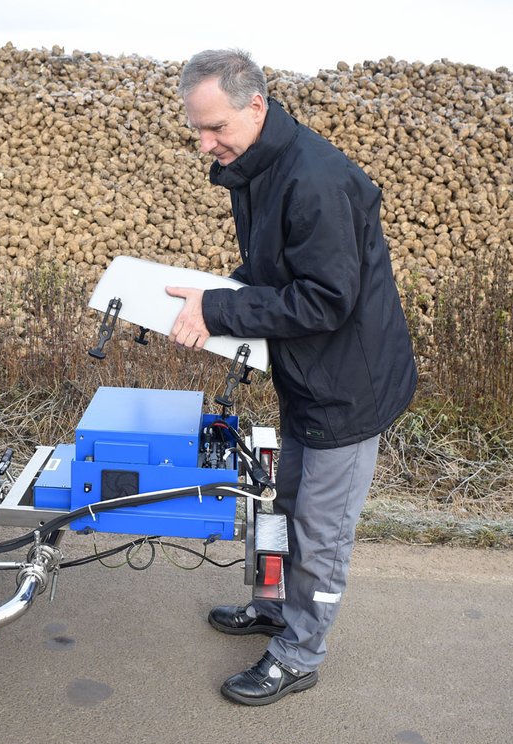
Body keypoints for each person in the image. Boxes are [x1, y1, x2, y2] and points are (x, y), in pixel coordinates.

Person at [166, 49, 417, 706]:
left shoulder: (315, 180)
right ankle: (274, 607)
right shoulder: (255, 167)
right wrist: (215, 290)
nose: (204, 143)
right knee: (281, 505)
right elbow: (275, 268)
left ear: (256, 106)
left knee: (321, 531)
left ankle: (300, 652)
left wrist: (219, 309)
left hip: (347, 386)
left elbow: (325, 299)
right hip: (305, 374)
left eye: (214, 127)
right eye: (196, 129)